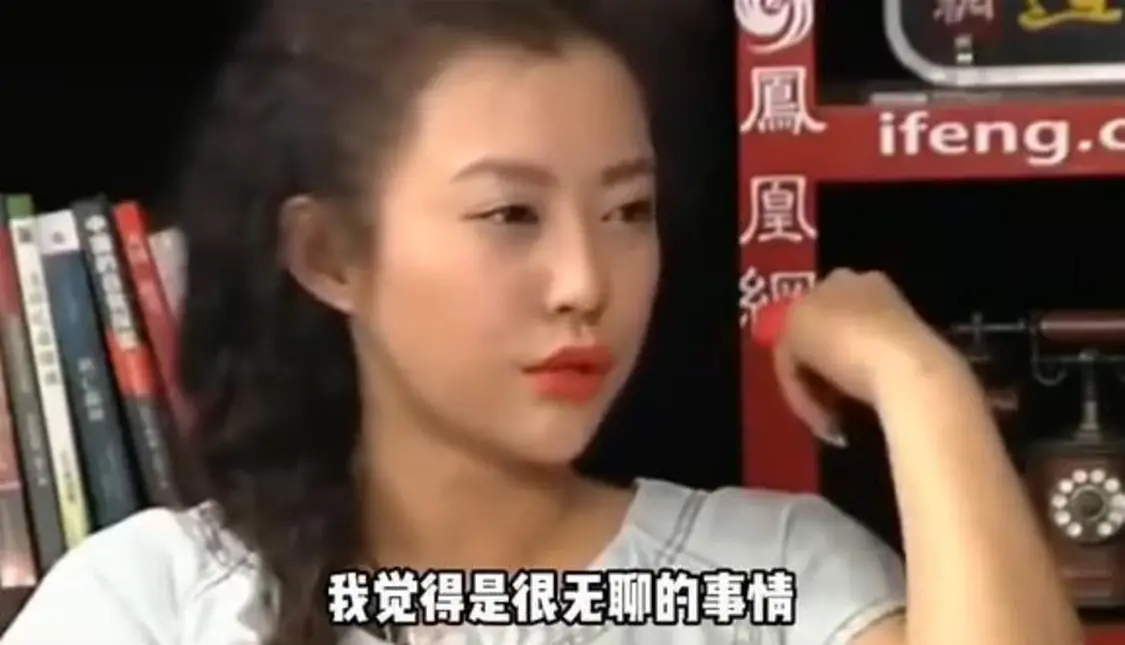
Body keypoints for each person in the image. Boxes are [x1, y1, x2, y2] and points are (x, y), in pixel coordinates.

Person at [2, 0, 1079, 644]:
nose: (584, 282)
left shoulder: (765, 583)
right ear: (331, 255)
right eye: (510, 215)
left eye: (627, 212)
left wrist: (919, 380)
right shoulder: (156, 603)